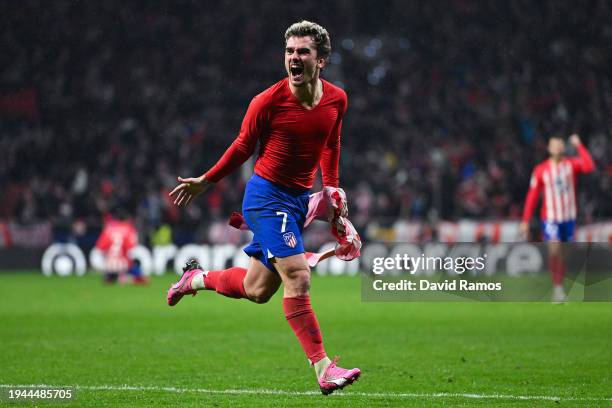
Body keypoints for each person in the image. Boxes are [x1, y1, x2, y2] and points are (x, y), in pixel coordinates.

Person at [166, 20, 360, 395]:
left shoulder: (337, 99)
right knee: (299, 277)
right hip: (266, 197)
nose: (294, 58)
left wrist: (332, 186)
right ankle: (323, 368)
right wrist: (207, 180)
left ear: (321, 60)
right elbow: (242, 146)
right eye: (289, 51)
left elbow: (331, 144)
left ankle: (196, 279)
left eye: (303, 51)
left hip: (298, 200)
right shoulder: (267, 101)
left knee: (257, 289)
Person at [520, 134, 595, 302]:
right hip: (550, 218)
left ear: (563, 148)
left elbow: (589, 166)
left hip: (568, 217)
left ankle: (558, 286)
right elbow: (532, 195)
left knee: (563, 254)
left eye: (560, 145)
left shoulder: (571, 164)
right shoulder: (541, 170)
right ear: (549, 148)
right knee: (554, 250)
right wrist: (525, 220)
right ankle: (558, 290)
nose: (558, 148)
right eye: (554, 145)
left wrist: (579, 145)